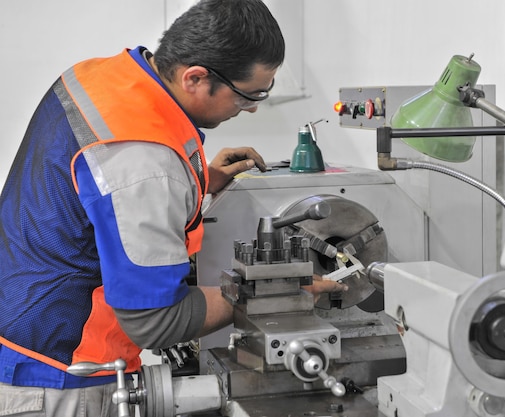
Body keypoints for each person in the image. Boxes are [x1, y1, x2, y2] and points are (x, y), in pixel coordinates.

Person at [0, 0, 346, 415]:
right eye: (248, 95)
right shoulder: (144, 161)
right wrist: (280, 295)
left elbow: (95, 195)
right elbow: (156, 320)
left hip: (20, 323)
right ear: (196, 77)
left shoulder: (101, 77)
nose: (252, 107)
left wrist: (197, 182)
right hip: (58, 377)